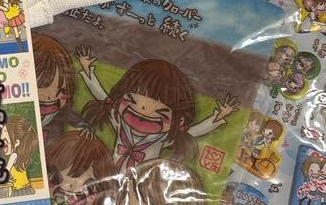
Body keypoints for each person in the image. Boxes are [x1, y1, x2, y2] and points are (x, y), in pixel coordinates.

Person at [76, 51, 237, 170]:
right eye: (132, 101)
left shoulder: (163, 138)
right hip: (111, 176)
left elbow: (194, 131)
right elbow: (102, 97)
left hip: (142, 184)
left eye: (160, 113)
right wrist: (87, 70)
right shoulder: (119, 121)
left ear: (179, 120)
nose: (142, 111)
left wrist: (218, 117)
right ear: (119, 99)